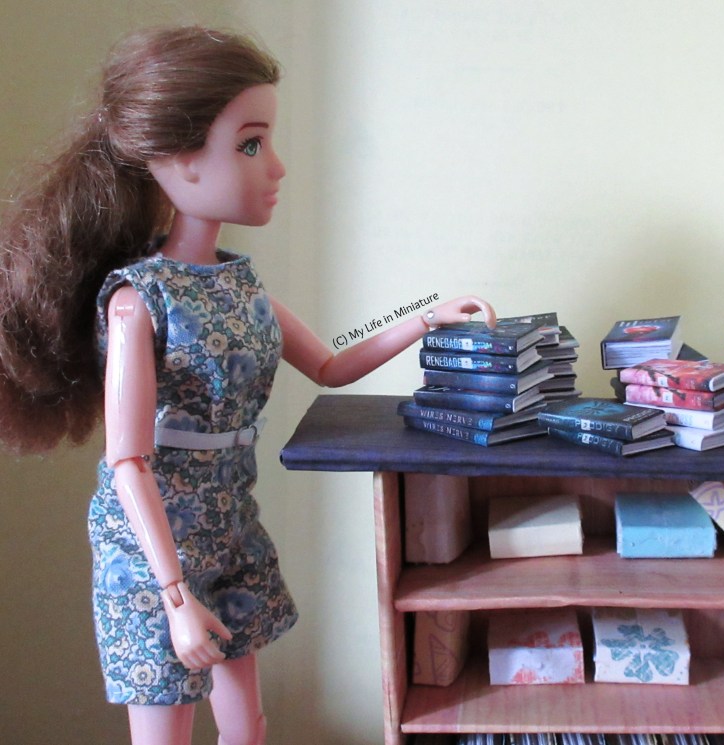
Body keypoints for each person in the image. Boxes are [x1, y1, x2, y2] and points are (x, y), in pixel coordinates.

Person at [0, 25, 494, 745]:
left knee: (248, 725)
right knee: (166, 730)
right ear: (179, 159)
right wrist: (172, 597)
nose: (277, 167)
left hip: (231, 525)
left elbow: (329, 363)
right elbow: (126, 459)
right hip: (152, 549)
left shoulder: (241, 283)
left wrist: (420, 318)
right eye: (251, 143)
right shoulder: (139, 300)